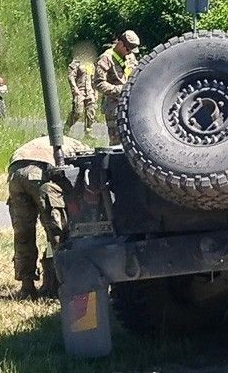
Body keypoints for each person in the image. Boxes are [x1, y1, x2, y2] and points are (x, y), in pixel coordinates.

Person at [7, 134, 92, 299]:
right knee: (56, 233)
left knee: (23, 234)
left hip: (15, 172)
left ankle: (27, 286)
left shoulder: (35, 143)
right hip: (40, 173)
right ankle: (58, 283)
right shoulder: (76, 145)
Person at [94, 29, 140, 144]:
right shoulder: (106, 58)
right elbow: (98, 83)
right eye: (128, 49)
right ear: (120, 44)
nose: (129, 53)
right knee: (118, 143)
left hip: (131, 104)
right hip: (114, 107)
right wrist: (120, 90)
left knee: (133, 140)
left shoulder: (131, 57)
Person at [65, 49, 97, 135]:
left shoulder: (91, 65)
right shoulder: (76, 63)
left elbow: (94, 80)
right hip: (80, 91)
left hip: (90, 91)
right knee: (78, 111)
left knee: (91, 111)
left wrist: (95, 93)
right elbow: (71, 76)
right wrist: (74, 88)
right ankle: (67, 127)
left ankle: (88, 132)